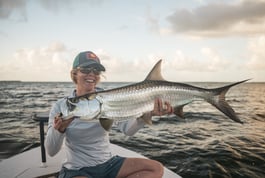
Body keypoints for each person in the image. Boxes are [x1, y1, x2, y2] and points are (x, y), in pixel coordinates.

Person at [45, 51, 174, 178]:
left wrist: (148, 114)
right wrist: (60, 129)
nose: (91, 74)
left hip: (108, 165)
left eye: (96, 70)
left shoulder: (109, 99)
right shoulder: (62, 106)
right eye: (85, 69)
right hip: (77, 169)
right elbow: (51, 151)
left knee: (155, 168)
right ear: (74, 74)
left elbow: (128, 130)